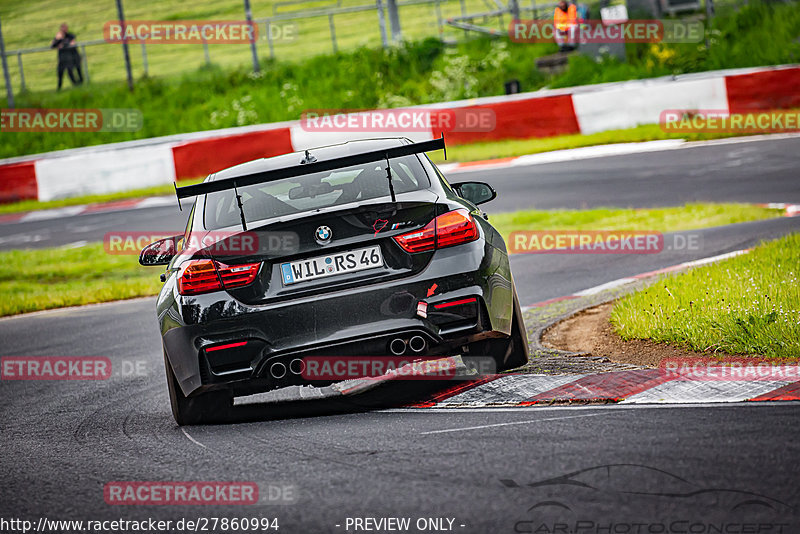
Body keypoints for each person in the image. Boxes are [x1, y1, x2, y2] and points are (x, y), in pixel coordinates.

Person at [51, 23, 83, 90]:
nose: (64, 30)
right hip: (62, 58)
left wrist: (62, 44)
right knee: (61, 73)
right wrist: (58, 40)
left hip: (72, 57)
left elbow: (71, 43)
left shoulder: (70, 35)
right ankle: (60, 88)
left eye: (65, 28)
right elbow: (53, 45)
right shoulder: (58, 38)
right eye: (63, 29)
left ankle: (79, 84)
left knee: (77, 70)